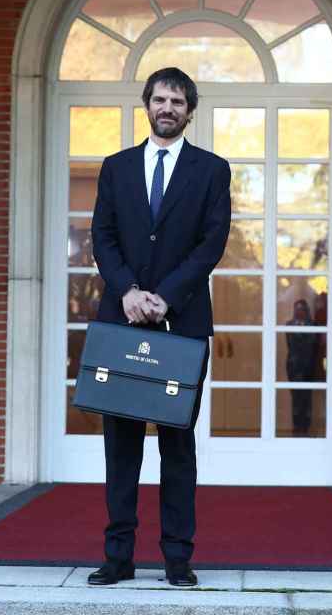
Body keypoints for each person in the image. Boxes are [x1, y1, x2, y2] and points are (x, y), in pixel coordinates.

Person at [89, 67, 231, 586]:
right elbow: (102, 238)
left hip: (183, 323)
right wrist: (128, 291)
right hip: (121, 321)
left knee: (178, 445)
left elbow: (209, 247)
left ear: (191, 110)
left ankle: (177, 559)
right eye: (159, 99)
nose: (167, 108)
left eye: (177, 100)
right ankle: (118, 558)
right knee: (120, 446)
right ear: (146, 105)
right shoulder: (116, 168)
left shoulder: (213, 171)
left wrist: (164, 298)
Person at [285, 299, 318, 436]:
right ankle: (296, 426)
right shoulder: (289, 325)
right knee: (296, 398)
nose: (299, 312)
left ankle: (306, 427)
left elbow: (312, 345)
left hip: (309, 366)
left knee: (307, 398)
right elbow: (292, 344)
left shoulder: (313, 325)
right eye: (297, 309)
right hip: (294, 366)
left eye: (302, 309)